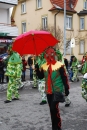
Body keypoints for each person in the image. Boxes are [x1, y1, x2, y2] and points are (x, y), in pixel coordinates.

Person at [38, 47, 70, 130]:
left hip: (57, 90)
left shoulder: (59, 65)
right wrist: (37, 69)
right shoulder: (44, 66)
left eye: (51, 53)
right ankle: (54, 127)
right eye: (47, 54)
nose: (49, 55)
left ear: (54, 54)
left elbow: (64, 77)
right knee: (52, 110)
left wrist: (66, 88)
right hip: (49, 91)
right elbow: (41, 77)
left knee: (53, 108)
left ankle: (57, 127)